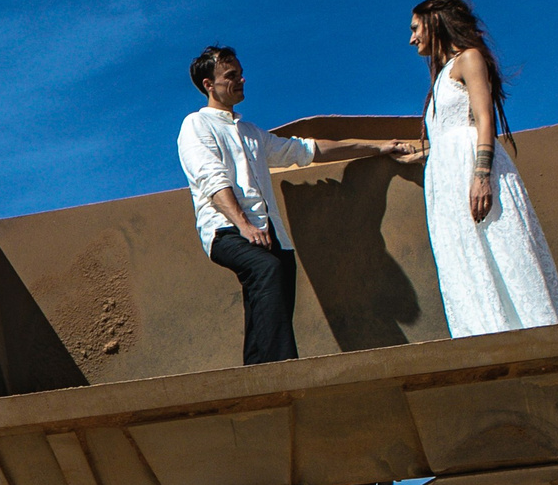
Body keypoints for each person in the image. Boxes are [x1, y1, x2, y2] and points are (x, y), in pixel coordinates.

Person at [178, 46, 415, 365]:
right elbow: (211, 179)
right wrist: (244, 225)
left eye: (240, 72)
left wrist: (378, 146)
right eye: (231, 76)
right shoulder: (196, 125)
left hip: (272, 235)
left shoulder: (252, 134)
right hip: (228, 230)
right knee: (266, 269)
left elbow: (307, 151)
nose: (242, 79)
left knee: (268, 300)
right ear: (209, 84)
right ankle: (285, 370)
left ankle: (256, 376)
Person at [408, 0, 558, 336]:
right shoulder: (439, 81)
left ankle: (534, 332)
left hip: (472, 167)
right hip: (447, 178)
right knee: (464, 257)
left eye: (415, 28)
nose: (412, 39)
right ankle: (485, 334)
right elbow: (445, 134)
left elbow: (484, 120)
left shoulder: (469, 59)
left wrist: (481, 175)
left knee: (500, 247)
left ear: (436, 21)